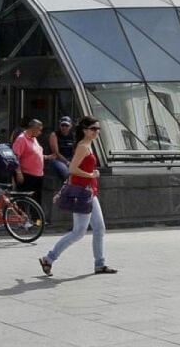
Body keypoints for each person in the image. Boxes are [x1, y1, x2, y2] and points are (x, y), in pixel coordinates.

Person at [39, 116, 116, 276]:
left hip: (89, 192)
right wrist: (91, 174)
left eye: (98, 129)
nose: (97, 131)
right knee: (79, 232)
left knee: (99, 228)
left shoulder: (89, 144)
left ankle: (99, 264)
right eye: (94, 129)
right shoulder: (83, 147)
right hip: (82, 193)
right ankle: (49, 258)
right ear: (85, 130)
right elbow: (72, 169)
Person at [12, 119, 45, 205]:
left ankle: (36, 219)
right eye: (39, 130)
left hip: (38, 176)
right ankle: (23, 218)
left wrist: (47, 157)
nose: (40, 133)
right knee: (24, 202)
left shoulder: (34, 138)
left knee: (36, 202)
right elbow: (15, 157)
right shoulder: (21, 139)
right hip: (27, 176)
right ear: (34, 128)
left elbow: (34, 154)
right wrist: (19, 173)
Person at [46, 116, 73, 181]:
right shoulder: (54, 135)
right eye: (62, 125)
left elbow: (75, 150)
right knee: (66, 172)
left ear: (70, 126)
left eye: (66, 125)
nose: (64, 127)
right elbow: (56, 153)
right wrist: (67, 162)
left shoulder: (73, 135)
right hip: (57, 159)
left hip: (70, 159)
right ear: (59, 125)